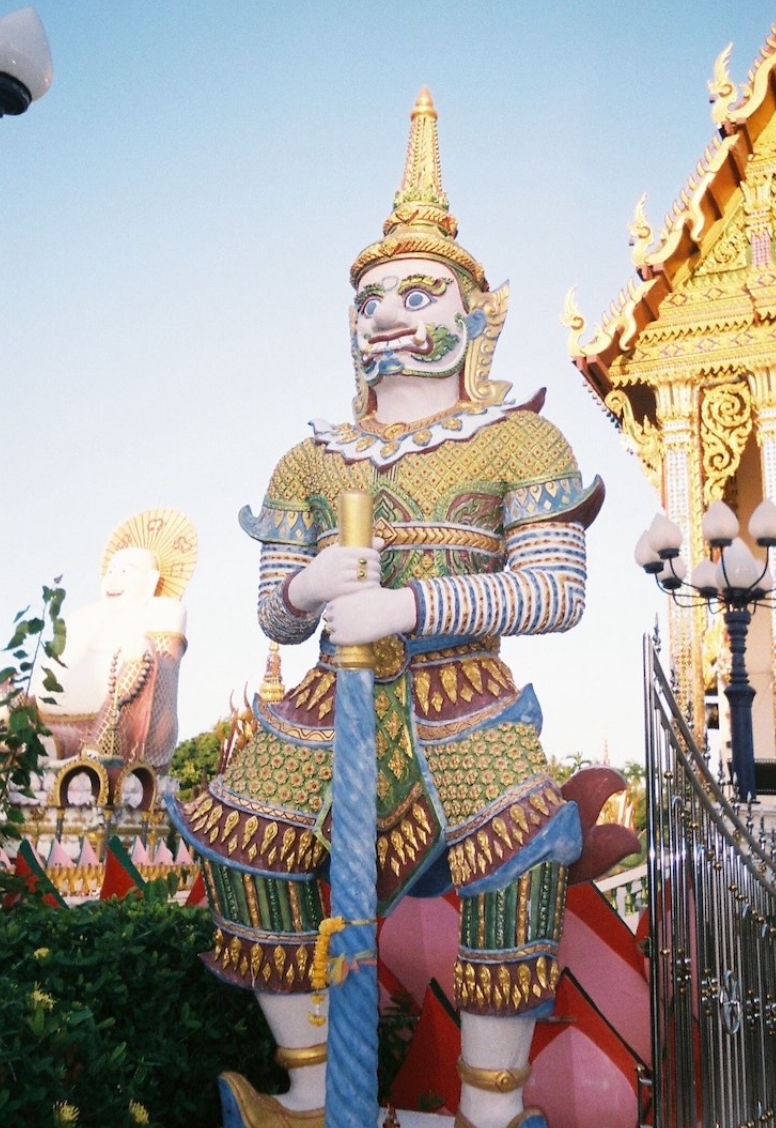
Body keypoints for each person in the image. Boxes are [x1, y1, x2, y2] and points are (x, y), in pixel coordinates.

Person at [174, 89, 604, 1128]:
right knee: (241, 835)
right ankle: (315, 1087)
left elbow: (555, 589)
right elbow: (277, 614)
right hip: (332, 698)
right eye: (370, 299)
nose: (387, 315)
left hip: (462, 692)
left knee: (520, 854)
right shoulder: (310, 459)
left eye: (416, 294)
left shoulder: (518, 442)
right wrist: (312, 590)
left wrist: (408, 606)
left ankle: (489, 1107)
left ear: (472, 313)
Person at [36, 509, 196, 770]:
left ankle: (94, 751)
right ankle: (42, 751)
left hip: (116, 731)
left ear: (151, 580)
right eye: (110, 571)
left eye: (125, 571)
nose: (113, 579)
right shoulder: (79, 619)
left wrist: (139, 654)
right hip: (53, 727)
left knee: (140, 650)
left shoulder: (164, 610)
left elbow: (164, 671)